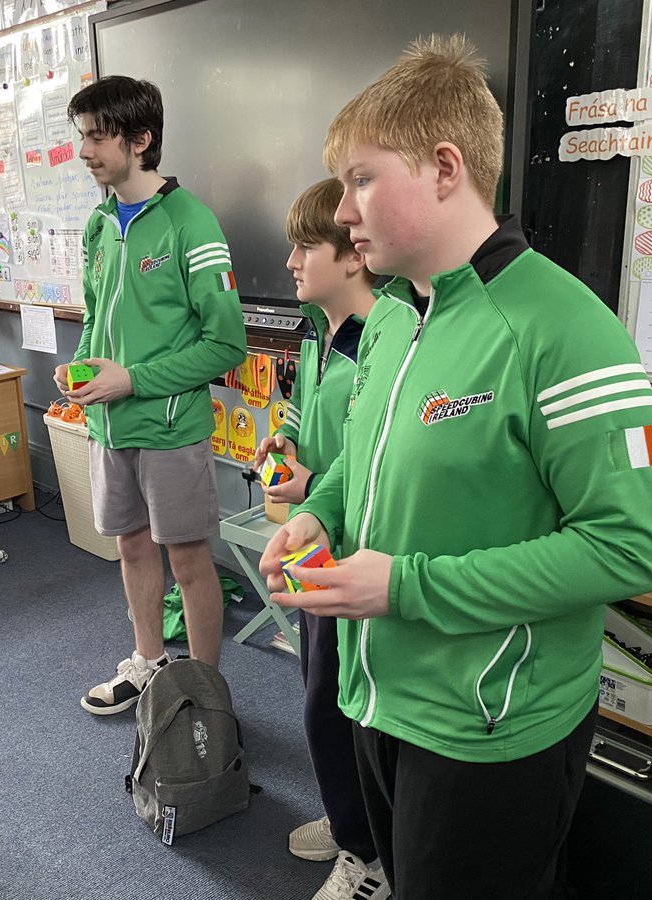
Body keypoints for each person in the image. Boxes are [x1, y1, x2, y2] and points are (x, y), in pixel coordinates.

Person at [259, 36, 652, 899]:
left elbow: (631, 549)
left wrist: (404, 586)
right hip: (382, 700)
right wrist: (322, 514)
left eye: (362, 180)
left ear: (446, 167)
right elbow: (362, 466)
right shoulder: (388, 318)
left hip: (491, 727)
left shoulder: (569, 330)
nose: (342, 212)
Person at [56, 75, 246, 714]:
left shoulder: (192, 223)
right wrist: (81, 370)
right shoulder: (99, 224)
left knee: (189, 560)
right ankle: (149, 661)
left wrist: (132, 379)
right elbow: (95, 319)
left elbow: (226, 346)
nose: (84, 151)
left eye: (96, 136)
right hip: (110, 425)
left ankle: (204, 692)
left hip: (170, 428)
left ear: (141, 139)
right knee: (131, 547)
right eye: (80, 135)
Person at [250, 178, 385, 900]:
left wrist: (311, 487)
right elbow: (302, 418)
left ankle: (368, 856)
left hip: (355, 549)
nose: (292, 261)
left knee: (334, 702)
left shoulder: (382, 341)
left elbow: (375, 462)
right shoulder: (321, 334)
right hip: (310, 542)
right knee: (318, 691)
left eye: (307, 246)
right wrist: (283, 445)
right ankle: (349, 820)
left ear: (353, 256)